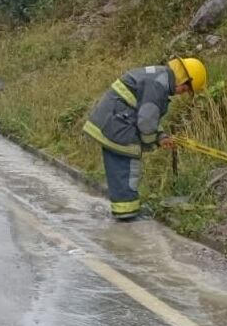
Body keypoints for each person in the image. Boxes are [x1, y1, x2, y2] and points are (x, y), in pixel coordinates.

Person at [82, 57, 208, 220]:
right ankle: (127, 214)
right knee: (128, 168)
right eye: (184, 89)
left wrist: (161, 135)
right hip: (118, 127)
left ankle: (125, 209)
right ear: (184, 79)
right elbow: (147, 124)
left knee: (119, 170)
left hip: (112, 122)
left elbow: (147, 114)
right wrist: (156, 141)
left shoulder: (158, 77)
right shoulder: (157, 86)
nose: (181, 93)